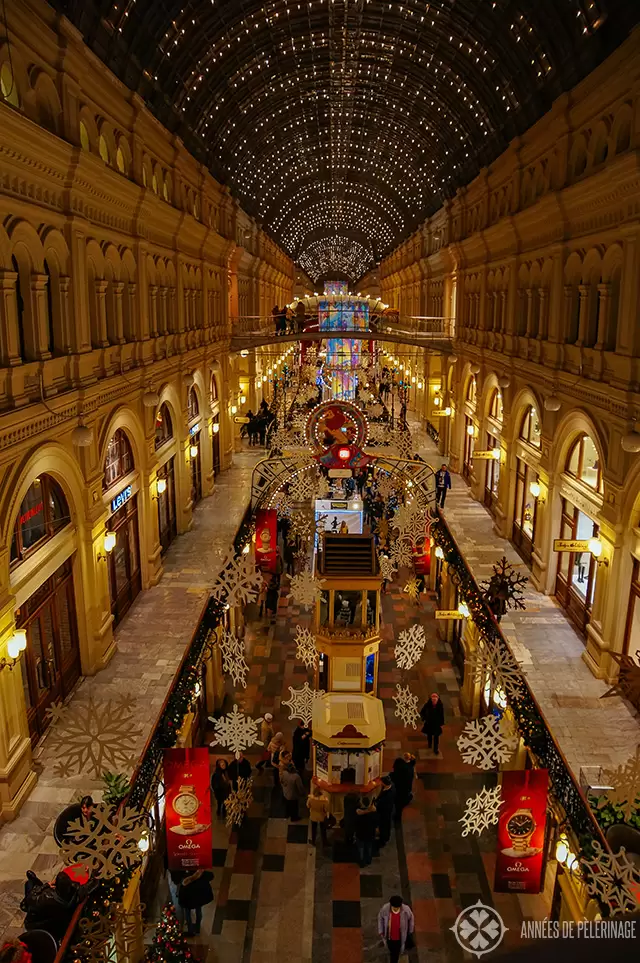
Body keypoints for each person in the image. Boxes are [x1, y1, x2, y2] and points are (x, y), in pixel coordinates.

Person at [21, 870, 95, 943]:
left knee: (29, 884)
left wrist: (46, 885)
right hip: (57, 918)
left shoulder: (48, 897)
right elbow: (86, 887)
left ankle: (34, 883)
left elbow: (31, 898)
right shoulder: (74, 894)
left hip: (39, 921)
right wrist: (89, 875)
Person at [378, 895, 415, 963]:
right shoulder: (385, 908)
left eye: (397, 907)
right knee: (391, 949)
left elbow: (411, 918)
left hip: (399, 937)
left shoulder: (406, 910)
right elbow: (380, 918)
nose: (395, 909)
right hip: (389, 936)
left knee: (395, 953)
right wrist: (381, 931)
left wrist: (410, 930)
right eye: (393, 907)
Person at [178, 868, 214, 937]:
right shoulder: (199, 868)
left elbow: (178, 879)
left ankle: (190, 931)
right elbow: (211, 876)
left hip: (187, 894)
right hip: (198, 893)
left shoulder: (185, 869)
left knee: (187, 912)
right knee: (198, 910)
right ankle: (197, 929)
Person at [390, 753, 416, 820]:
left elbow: (396, 776)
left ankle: (397, 817)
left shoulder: (401, 767)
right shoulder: (411, 766)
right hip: (407, 787)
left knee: (398, 803)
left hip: (400, 788)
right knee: (401, 801)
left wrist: (392, 776)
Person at [355, 796, 378, 867]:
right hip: (370, 833)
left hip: (361, 834)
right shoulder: (373, 813)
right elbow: (376, 823)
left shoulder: (359, 813)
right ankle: (368, 860)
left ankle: (362, 862)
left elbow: (356, 823)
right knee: (369, 847)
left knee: (361, 848)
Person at [375, 776, 396, 848]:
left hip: (386, 812)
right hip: (385, 811)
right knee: (384, 825)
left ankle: (383, 840)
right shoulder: (389, 787)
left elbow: (383, 804)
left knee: (384, 825)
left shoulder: (388, 794)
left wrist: (377, 805)